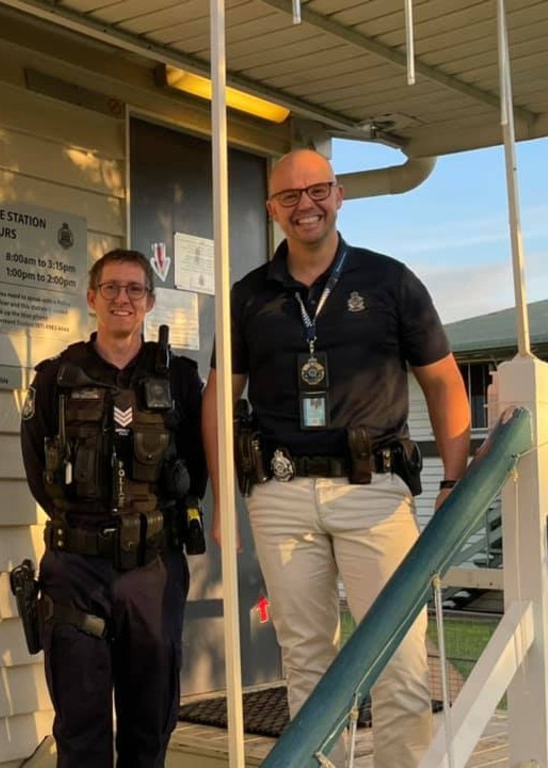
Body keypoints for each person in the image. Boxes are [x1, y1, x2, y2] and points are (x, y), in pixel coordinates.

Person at [202, 149, 470, 768]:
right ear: (272, 209)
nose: (306, 205)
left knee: (398, 661)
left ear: (339, 194)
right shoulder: (249, 296)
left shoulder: (389, 281)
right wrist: (222, 498)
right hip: (279, 495)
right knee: (306, 665)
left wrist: (453, 479)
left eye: (316, 190)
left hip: (373, 492)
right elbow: (220, 399)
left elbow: (444, 381)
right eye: (289, 197)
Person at [20, 248, 207, 768]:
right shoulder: (56, 378)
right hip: (76, 568)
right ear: (91, 298)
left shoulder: (182, 381)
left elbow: (198, 466)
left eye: (133, 289)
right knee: (81, 729)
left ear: (149, 301)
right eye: (111, 289)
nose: (121, 299)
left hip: (154, 571)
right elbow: (38, 470)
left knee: (150, 725)